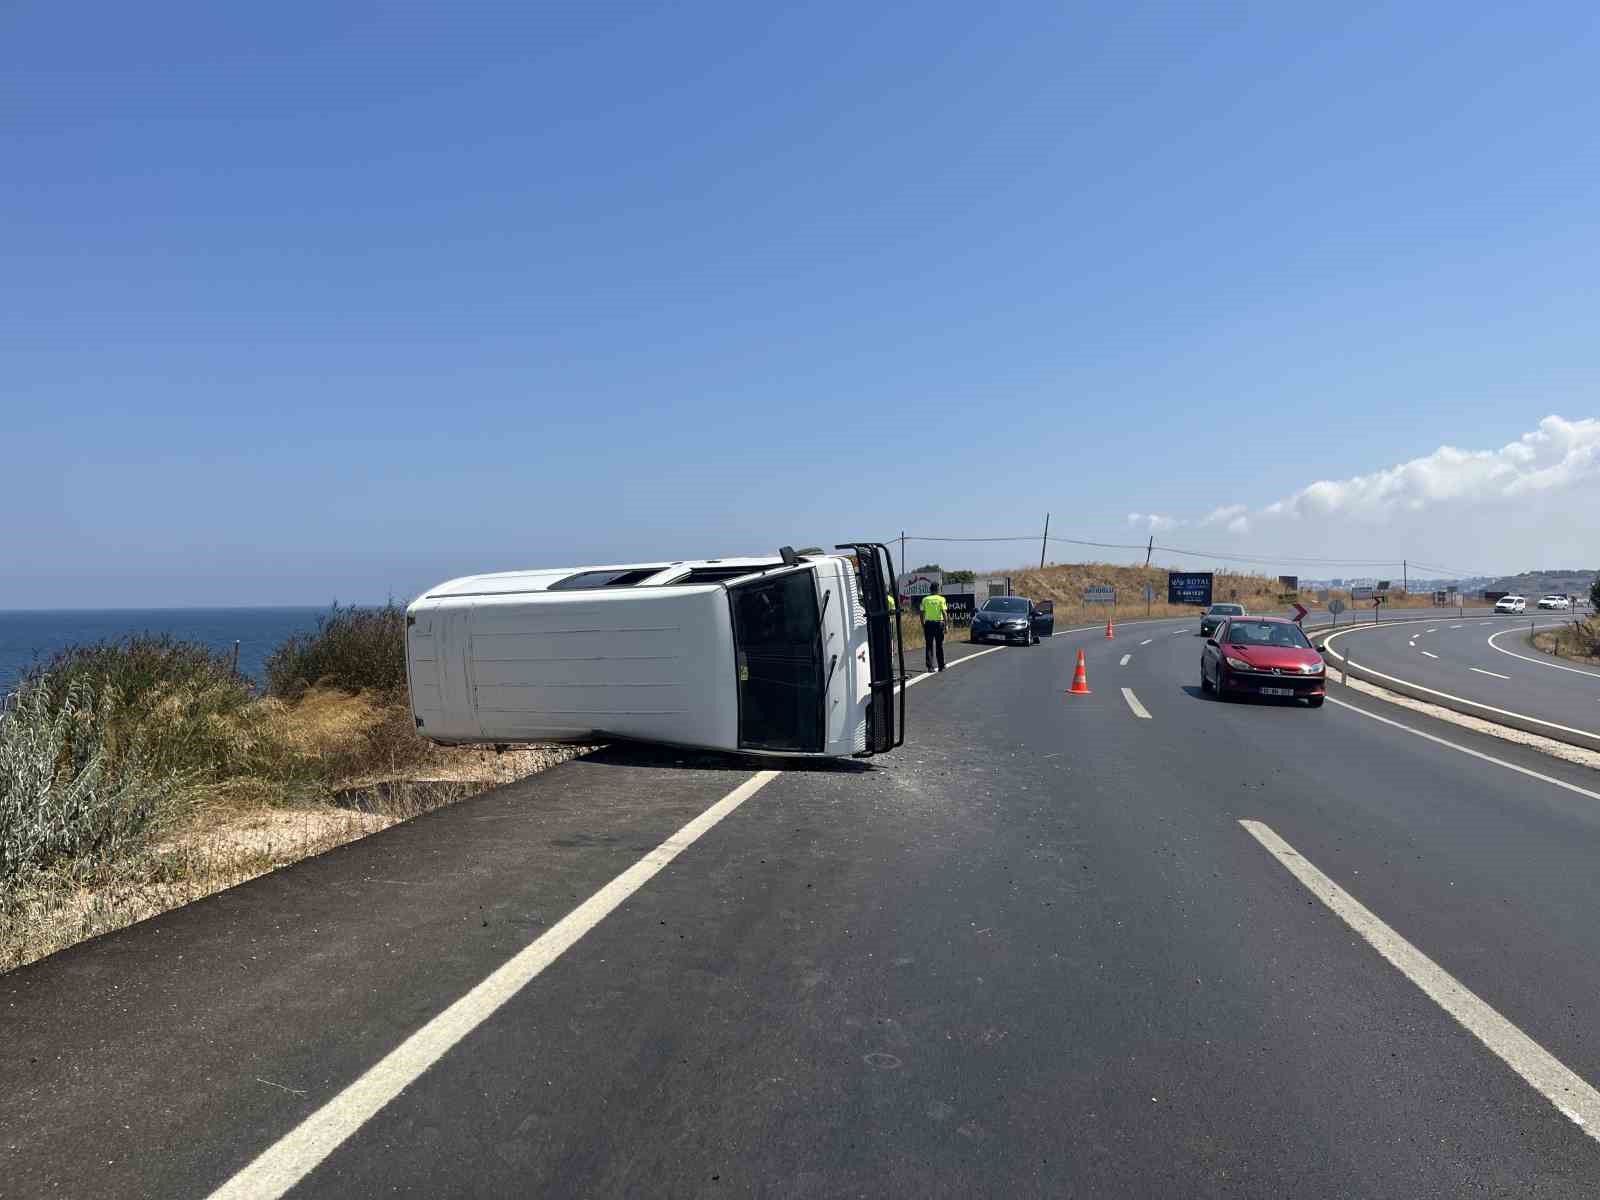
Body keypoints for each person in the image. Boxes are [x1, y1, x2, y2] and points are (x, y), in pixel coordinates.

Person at [920, 583, 948, 672]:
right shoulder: (941, 599)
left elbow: (921, 613)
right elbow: (944, 613)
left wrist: (922, 624)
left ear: (930, 589)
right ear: (937, 589)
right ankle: (941, 666)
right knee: (939, 645)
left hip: (928, 624)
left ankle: (930, 667)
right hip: (939, 624)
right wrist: (946, 625)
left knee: (929, 645)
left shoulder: (925, 599)